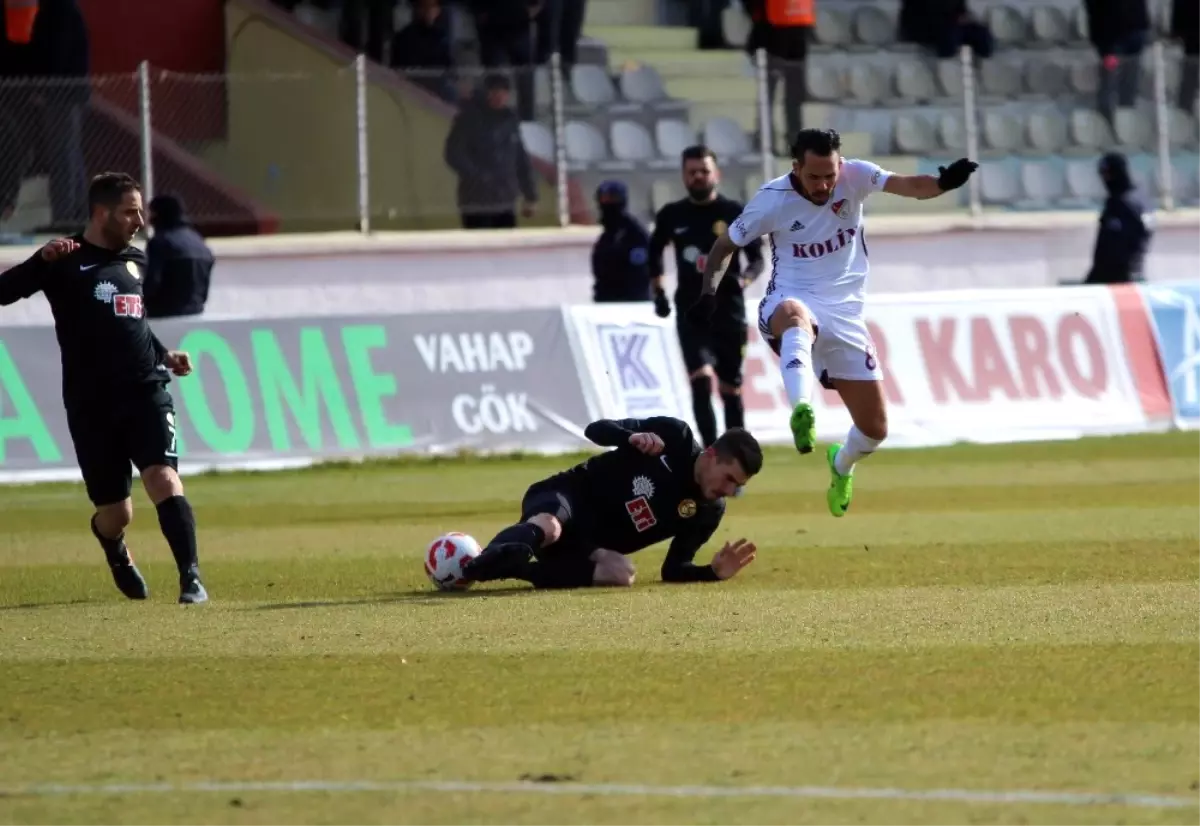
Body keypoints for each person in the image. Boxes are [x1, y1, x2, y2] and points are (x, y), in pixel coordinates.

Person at [688, 128, 976, 517]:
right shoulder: (771, 200)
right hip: (791, 296)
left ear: (840, 164)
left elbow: (910, 186)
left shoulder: (856, 175)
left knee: (875, 429)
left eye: (830, 174)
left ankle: (842, 464)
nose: (824, 184)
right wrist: (709, 293)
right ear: (796, 168)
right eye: (814, 176)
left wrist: (943, 183)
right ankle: (802, 410)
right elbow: (725, 246)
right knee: (795, 318)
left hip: (845, 313)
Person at [0, 172, 209, 604]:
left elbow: (132, 324)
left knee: (164, 479)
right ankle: (112, 544)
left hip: (145, 389)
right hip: (91, 402)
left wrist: (164, 353)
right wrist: (39, 261)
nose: (139, 220)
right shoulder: (65, 259)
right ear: (101, 213)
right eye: (130, 211)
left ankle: (191, 578)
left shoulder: (137, 261)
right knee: (116, 513)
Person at [460, 416, 762, 589]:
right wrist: (629, 437)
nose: (729, 490)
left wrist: (711, 572)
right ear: (710, 456)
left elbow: (673, 569)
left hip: (588, 546)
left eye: (738, 487)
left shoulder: (709, 511)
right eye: (729, 478)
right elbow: (594, 429)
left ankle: (516, 568)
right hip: (568, 496)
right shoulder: (676, 436)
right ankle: (480, 562)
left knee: (621, 574)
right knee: (550, 528)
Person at [649, 145, 764, 450]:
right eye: (692, 172)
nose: (698, 177)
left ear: (717, 174)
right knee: (700, 381)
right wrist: (658, 291)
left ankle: (736, 456)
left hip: (729, 310)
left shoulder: (734, 212)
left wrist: (745, 279)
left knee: (730, 389)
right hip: (691, 309)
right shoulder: (672, 215)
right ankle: (711, 453)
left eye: (704, 171)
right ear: (684, 176)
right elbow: (654, 253)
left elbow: (757, 258)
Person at [443, 73, 539, 229]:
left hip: (505, 199)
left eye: (503, 92)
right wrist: (479, 176)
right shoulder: (468, 119)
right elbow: (453, 154)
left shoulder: (510, 120)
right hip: (476, 201)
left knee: (507, 247)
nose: (499, 96)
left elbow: (520, 158)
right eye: (494, 92)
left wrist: (530, 195)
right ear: (486, 93)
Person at [1083, 152, 1153, 284]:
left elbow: (1120, 247)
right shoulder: (1132, 199)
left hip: (1120, 278)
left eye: (1107, 174)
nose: (1104, 180)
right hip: (1121, 275)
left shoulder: (1126, 203)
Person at [144, 194, 214, 319]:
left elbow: (152, 283)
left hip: (163, 317)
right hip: (196, 314)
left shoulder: (160, 242)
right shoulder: (198, 242)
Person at [590, 180, 655, 304]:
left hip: (631, 305)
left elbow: (640, 274)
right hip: (605, 304)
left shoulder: (636, 234)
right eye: (604, 199)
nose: (607, 204)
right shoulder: (606, 237)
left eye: (612, 199)